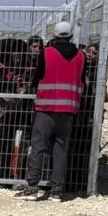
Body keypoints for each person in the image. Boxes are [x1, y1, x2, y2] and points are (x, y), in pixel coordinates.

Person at [16, 21, 87, 202]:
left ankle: (32, 187)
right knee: (61, 149)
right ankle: (57, 191)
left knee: (38, 146)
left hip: (46, 108)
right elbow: (82, 80)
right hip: (69, 109)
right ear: (71, 35)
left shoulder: (46, 53)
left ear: (54, 35)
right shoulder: (81, 55)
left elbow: (37, 76)